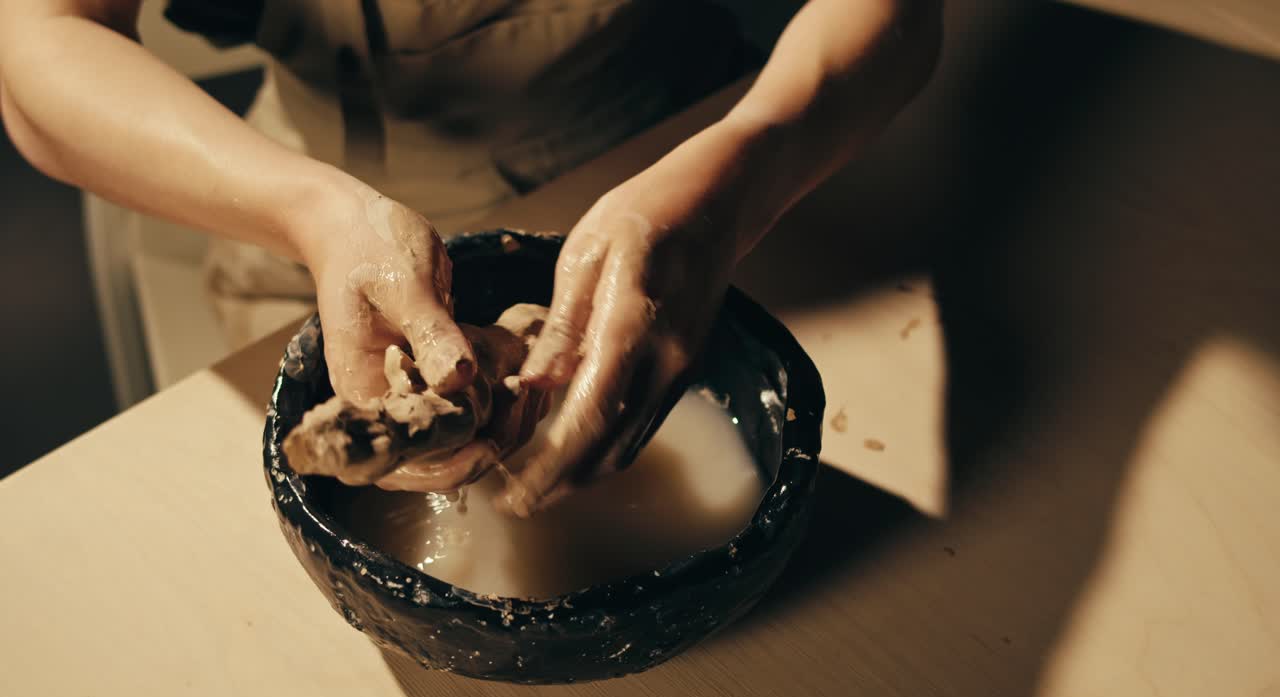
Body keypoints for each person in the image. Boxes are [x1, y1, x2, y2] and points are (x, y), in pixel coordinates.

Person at [0, 0, 941, 513]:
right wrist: (315, 211)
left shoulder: (739, 172)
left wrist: (744, 172)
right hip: (325, 228)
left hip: (728, 155)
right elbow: (37, 45)